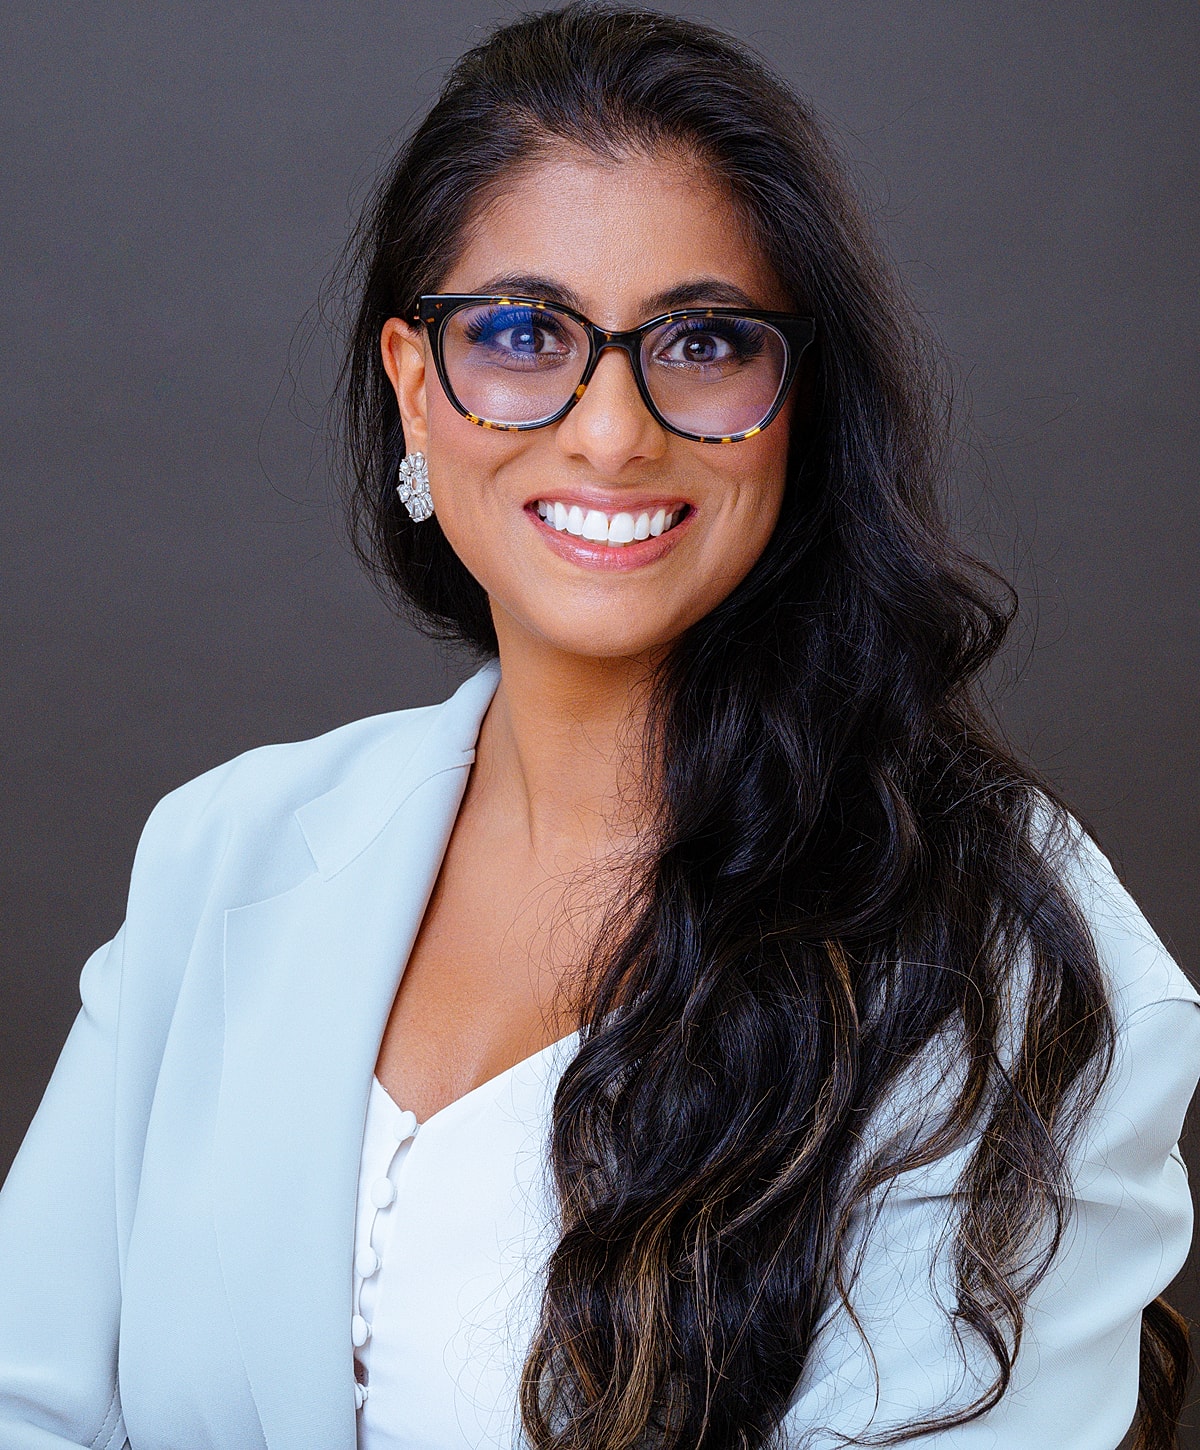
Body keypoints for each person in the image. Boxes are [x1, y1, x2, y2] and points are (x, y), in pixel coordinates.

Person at [1, 5, 1197, 1448]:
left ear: (796, 404)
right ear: (413, 388)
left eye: (703, 341)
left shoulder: (1004, 948)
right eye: (520, 330)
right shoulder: (220, 853)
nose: (613, 431)